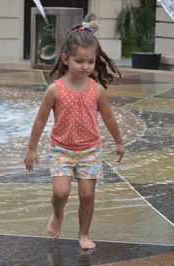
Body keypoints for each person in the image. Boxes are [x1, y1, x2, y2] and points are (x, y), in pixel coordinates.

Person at [24, 22, 125, 250]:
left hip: (90, 150)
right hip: (62, 149)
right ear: (65, 58)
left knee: (87, 195)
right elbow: (40, 119)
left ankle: (83, 234)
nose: (85, 66)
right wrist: (32, 148)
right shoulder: (55, 89)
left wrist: (118, 141)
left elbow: (108, 118)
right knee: (60, 193)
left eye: (90, 62)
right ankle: (57, 213)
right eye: (79, 61)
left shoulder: (96, 89)